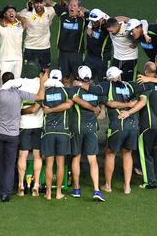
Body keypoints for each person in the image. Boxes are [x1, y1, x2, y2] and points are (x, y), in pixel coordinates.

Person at [0, 69, 48, 202]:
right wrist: (42, 82)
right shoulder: (19, 94)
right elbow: (40, 97)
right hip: (13, 135)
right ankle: (6, 192)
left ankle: (0, 190)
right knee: (10, 163)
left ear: (3, 81)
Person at [75, 66, 138, 194]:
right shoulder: (130, 86)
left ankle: (108, 185)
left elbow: (97, 93)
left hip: (118, 125)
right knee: (127, 153)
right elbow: (138, 99)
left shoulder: (106, 86)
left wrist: (79, 84)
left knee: (110, 153)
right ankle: (127, 187)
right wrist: (130, 107)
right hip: (133, 125)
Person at [70, 66, 106, 201]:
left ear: (78, 77)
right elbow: (102, 112)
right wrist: (97, 110)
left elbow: (76, 101)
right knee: (93, 159)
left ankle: (77, 188)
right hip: (91, 129)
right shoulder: (96, 90)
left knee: (76, 157)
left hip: (78, 127)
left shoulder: (75, 89)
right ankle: (96, 190)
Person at [9, 62, 45, 197]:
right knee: (37, 156)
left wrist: (20, 112)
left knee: (22, 155)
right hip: (38, 125)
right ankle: (36, 185)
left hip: (23, 126)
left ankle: (21, 185)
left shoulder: (19, 82)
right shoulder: (40, 83)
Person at [39, 70, 73, 200]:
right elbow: (69, 104)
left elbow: (36, 107)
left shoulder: (44, 93)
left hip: (48, 132)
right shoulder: (66, 92)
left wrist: (49, 110)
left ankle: (48, 193)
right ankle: (58, 192)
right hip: (63, 132)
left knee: (49, 164)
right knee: (60, 164)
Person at [55, 0, 88, 86]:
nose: (71, 7)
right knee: (65, 78)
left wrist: (83, 12)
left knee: (79, 77)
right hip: (63, 53)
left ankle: (78, 96)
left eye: (74, 6)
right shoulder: (63, 14)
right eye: (70, 5)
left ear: (79, 8)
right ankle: (68, 97)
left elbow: (93, 13)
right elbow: (51, 3)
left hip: (76, 54)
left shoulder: (84, 19)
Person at [18, 0, 56, 69]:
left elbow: (58, 6)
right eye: (36, 3)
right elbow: (16, 14)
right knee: (29, 72)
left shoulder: (50, 11)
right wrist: (22, 19)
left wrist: (49, 1)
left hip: (45, 47)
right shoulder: (26, 12)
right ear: (33, 3)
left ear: (44, 3)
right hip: (30, 47)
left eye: (41, 3)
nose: (38, 5)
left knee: (45, 71)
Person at [0, 5, 26, 87]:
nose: (11, 13)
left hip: (18, 59)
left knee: (16, 85)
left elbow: (25, 22)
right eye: (8, 11)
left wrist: (17, 15)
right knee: (2, 85)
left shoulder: (20, 25)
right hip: (4, 60)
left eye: (13, 11)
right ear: (4, 14)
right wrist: (1, 19)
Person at [106, 17, 139, 82]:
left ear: (117, 26)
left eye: (112, 31)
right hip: (117, 58)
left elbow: (140, 28)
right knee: (112, 78)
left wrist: (136, 42)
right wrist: (90, 27)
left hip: (130, 58)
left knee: (127, 81)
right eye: (109, 31)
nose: (111, 33)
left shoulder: (127, 28)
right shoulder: (111, 26)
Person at [84, 8, 112, 81]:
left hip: (102, 59)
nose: (93, 23)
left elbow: (116, 21)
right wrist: (90, 26)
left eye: (95, 22)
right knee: (86, 79)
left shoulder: (108, 26)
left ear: (102, 19)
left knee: (103, 82)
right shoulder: (93, 20)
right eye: (91, 21)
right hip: (90, 56)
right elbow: (83, 9)